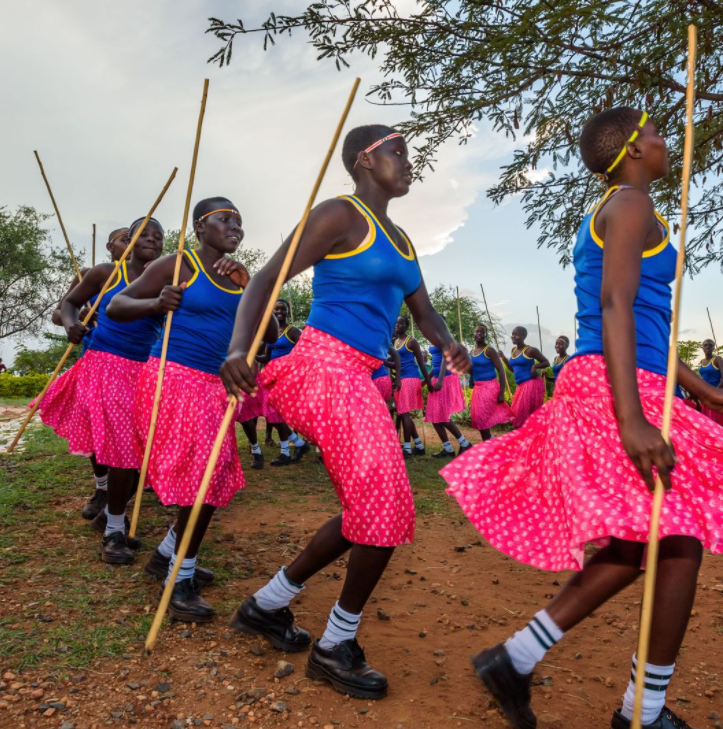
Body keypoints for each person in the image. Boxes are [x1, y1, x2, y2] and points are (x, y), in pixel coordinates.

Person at [442, 107, 723, 729]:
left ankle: (524, 662)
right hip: (617, 389)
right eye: (655, 133)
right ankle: (635, 711)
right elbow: (615, 305)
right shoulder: (629, 206)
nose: (665, 140)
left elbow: (648, 329)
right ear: (632, 150)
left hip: (635, 379)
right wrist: (632, 419)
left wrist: (700, 388)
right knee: (675, 542)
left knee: (651, 542)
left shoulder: (630, 208)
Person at [218, 124, 470, 700]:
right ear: (365, 159)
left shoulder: (403, 239)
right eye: (399, 154)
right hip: (324, 367)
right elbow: (267, 276)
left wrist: (448, 341)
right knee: (385, 503)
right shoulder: (339, 215)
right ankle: (334, 647)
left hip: (360, 376)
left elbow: (424, 312)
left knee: (368, 506)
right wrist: (239, 348)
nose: (410, 165)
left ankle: (267, 604)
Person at [108, 199, 272, 621]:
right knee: (201, 481)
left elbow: (268, 328)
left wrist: (250, 281)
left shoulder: (238, 278)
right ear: (200, 228)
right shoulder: (178, 265)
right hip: (175, 378)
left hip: (217, 388)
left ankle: (168, 557)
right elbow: (116, 306)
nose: (235, 224)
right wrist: (156, 302)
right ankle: (178, 580)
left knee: (212, 481)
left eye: (239, 219)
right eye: (224, 218)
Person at [39, 219, 165, 564]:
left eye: (159, 236)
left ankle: (110, 515)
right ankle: (114, 531)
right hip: (104, 364)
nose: (152, 240)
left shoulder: (168, 280)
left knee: (133, 450)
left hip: (144, 370)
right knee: (119, 448)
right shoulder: (104, 274)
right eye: (143, 234)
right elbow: (66, 305)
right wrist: (71, 324)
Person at [49, 228, 131, 519]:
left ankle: (125, 489)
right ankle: (102, 488)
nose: (131, 245)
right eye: (125, 239)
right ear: (110, 246)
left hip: (136, 365)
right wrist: (76, 319)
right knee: (100, 429)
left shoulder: (152, 275)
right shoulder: (93, 274)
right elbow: (59, 313)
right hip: (96, 360)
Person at [253, 299, 311, 467]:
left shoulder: (292, 331)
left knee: (278, 414)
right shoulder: (271, 333)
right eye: (276, 309)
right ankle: (298, 445)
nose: (279, 312)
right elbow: (265, 356)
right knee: (273, 414)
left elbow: (306, 349)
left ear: (287, 311)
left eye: (282, 309)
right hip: (271, 378)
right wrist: (250, 355)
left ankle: (290, 450)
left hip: (287, 379)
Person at [424, 341, 473, 457]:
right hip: (437, 378)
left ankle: (464, 443)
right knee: (434, 416)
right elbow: (436, 364)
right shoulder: (432, 339)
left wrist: (440, 379)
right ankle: (448, 449)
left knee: (443, 416)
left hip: (446, 379)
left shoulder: (442, 338)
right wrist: (427, 379)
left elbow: (444, 359)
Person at [468, 324, 514, 441]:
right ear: (473, 334)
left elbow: (501, 370)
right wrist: (471, 379)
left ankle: (488, 443)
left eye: (482, 332)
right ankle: (490, 441)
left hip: (489, 386)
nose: (479, 334)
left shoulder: (489, 350)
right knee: (478, 418)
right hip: (478, 388)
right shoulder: (471, 352)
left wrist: (502, 392)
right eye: (477, 331)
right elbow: (471, 369)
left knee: (481, 417)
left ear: (485, 335)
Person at [392, 316, 429, 457]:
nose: (397, 325)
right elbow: (395, 363)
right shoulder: (395, 342)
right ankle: (419, 445)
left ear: (406, 326)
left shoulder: (411, 341)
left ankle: (407, 449)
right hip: (401, 379)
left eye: (400, 323)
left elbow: (421, 363)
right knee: (402, 413)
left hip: (410, 378)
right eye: (396, 323)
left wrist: (427, 382)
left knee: (404, 413)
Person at [506, 326, 550, 428]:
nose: (513, 336)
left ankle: (526, 439)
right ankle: (528, 439)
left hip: (531, 384)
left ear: (523, 336)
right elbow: (513, 370)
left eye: (516, 334)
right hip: (521, 386)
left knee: (520, 415)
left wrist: (535, 366)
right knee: (518, 415)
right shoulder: (513, 350)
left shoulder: (530, 350)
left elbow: (546, 362)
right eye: (512, 334)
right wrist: (504, 359)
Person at [695, 339, 723, 430]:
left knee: (719, 424)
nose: (708, 347)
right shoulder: (701, 362)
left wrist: (713, 393)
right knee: (708, 424)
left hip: (717, 393)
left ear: (714, 347)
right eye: (705, 345)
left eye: (710, 345)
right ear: (702, 348)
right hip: (705, 395)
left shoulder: (717, 359)